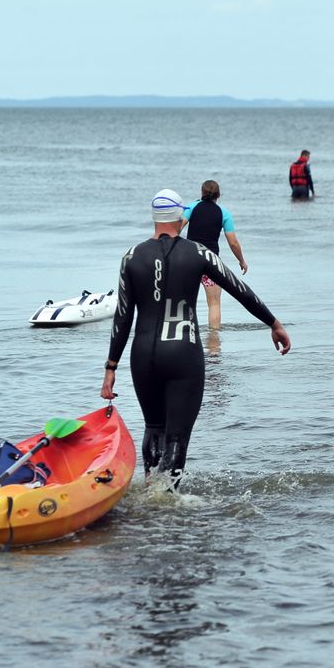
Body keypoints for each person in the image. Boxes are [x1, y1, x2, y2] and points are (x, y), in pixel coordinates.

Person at [101, 189, 291, 490]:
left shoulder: (131, 257)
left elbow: (123, 318)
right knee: (177, 435)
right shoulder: (198, 253)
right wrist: (273, 322)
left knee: (153, 427)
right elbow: (238, 289)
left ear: (154, 218)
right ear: (180, 218)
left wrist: (110, 368)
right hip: (182, 354)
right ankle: (170, 502)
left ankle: (151, 490)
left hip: (143, 356)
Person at [179, 180, 249, 330]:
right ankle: (214, 343)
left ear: (202, 192)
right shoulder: (224, 214)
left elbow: (177, 228)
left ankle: (183, 336)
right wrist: (241, 261)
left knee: (185, 301)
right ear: (218, 195)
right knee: (214, 303)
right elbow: (233, 242)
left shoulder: (191, 207)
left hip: (188, 261)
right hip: (210, 263)